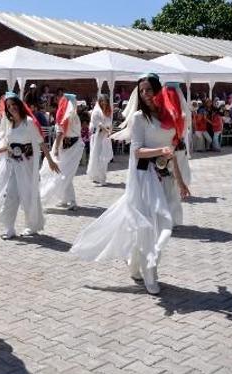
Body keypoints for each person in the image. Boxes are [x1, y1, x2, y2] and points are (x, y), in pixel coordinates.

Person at [70, 74, 190, 295]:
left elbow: (172, 153)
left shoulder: (170, 116)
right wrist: (160, 151)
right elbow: (136, 151)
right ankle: (150, 273)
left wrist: (181, 182)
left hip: (166, 178)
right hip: (145, 178)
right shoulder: (138, 118)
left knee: (158, 226)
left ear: (158, 90)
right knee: (152, 228)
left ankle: (136, 266)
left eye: (149, 90)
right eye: (141, 90)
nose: (145, 94)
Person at [0, 93, 59, 239]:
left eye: (13, 105)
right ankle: (9, 228)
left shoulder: (28, 122)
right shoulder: (10, 124)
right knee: (10, 195)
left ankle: (31, 225)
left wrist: (50, 160)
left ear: (19, 105)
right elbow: (10, 145)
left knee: (28, 195)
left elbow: (40, 142)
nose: (11, 108)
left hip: (27, 164)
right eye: (8, 106)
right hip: (12, 164)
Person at [40, 93, 84, 210]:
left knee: (63, 174)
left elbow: (60, 134)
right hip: (73, 146)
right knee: (64, 173)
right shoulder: (74, 116)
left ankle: (71, 201)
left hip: (68, 147)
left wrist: (55, 151)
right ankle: (65, 199)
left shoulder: (66, 116)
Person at [87, 94, 114, 185]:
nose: (104, 103)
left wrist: (110, 130)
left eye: (105, 101)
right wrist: (106, 130)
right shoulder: (96, 112)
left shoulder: (108, 111)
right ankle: (97, 177)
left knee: (104, 157)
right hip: (98, 138)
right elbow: (98, 124)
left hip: (105, 138)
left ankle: (102, 177)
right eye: (102, 101)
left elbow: (109, 123)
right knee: (97, 157)